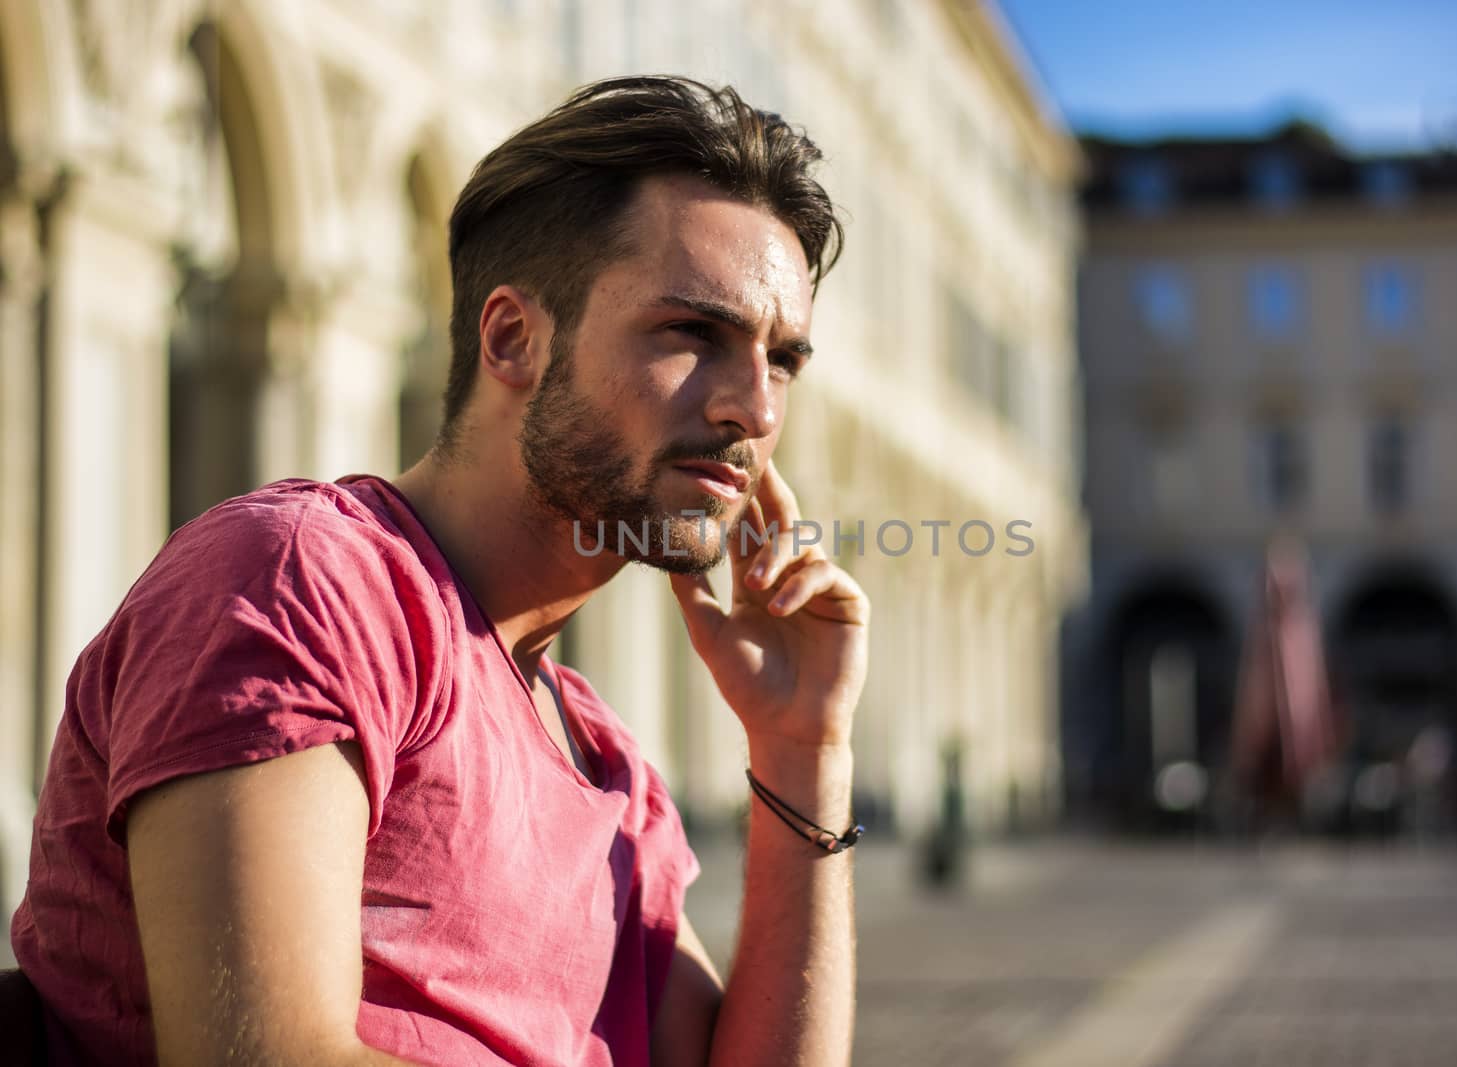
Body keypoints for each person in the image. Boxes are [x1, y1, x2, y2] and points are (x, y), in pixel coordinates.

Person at [8, 76, 869, 1067]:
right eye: (693, 334)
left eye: (784, 360)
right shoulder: (307, 581)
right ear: (512, 337)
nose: (754, 410)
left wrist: (805, 745)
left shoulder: (607, 763)